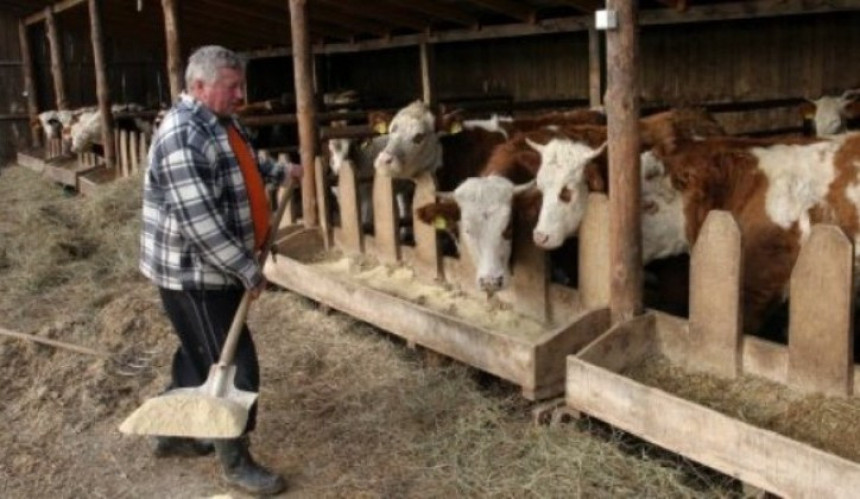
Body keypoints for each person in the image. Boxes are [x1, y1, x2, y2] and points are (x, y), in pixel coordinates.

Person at [140, 45, 301, 496]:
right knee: (233, 365)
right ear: (199, 86)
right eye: (232, 87)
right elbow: (202, 227)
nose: (241, 94)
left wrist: (279, 170)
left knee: (197, 354)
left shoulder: (220, 123)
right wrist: (248, 269)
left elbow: (240, 167)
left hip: (215, 269)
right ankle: (235, 462)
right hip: (196, 273)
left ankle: (171, 434)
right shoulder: (182, 134)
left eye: (240, 85)